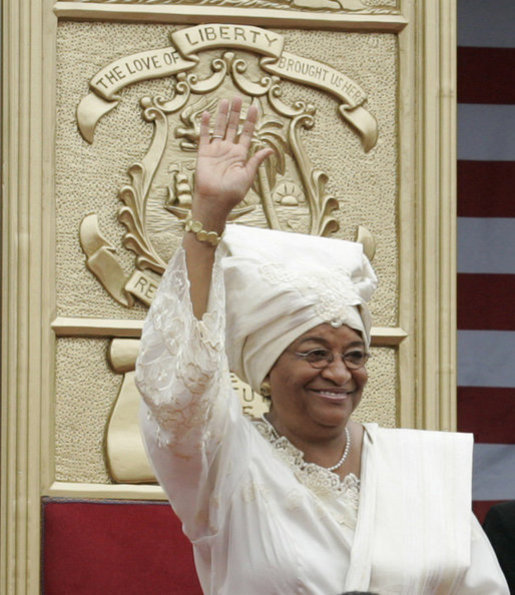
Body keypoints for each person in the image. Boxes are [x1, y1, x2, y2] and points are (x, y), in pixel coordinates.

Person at [135, 97, 509, 594]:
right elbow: (180, 386)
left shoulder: (416, 468)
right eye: (315, 353)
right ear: (266, 367)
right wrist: (208, 217)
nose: (338, 373)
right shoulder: (223, 459)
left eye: (354, 355)